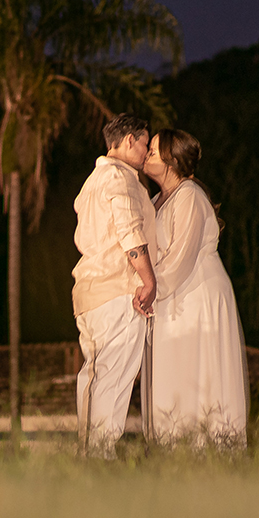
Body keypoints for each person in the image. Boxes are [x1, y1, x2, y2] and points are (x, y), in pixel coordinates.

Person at [141, 128, 248, 446]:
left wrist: (150, 291)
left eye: (153, 150)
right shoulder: (156, 199)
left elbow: (181, 257)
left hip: (195, 293)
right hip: (168, 294)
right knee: (172, 371)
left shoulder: (189, 195)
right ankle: (170, 447)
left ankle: (203, 449)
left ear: (171, 159)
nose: (146, 154)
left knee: (195, 370)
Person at [70, 113, 158, 454]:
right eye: (145, 144)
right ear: (128, 141)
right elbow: (128, 230)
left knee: (95, 375)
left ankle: (90, 451)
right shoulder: (119, 179)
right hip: (118, 289)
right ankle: (99, 455)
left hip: (91, 290)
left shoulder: (93, 181)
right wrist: (148, 280)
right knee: (114, 376)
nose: (147, 152)